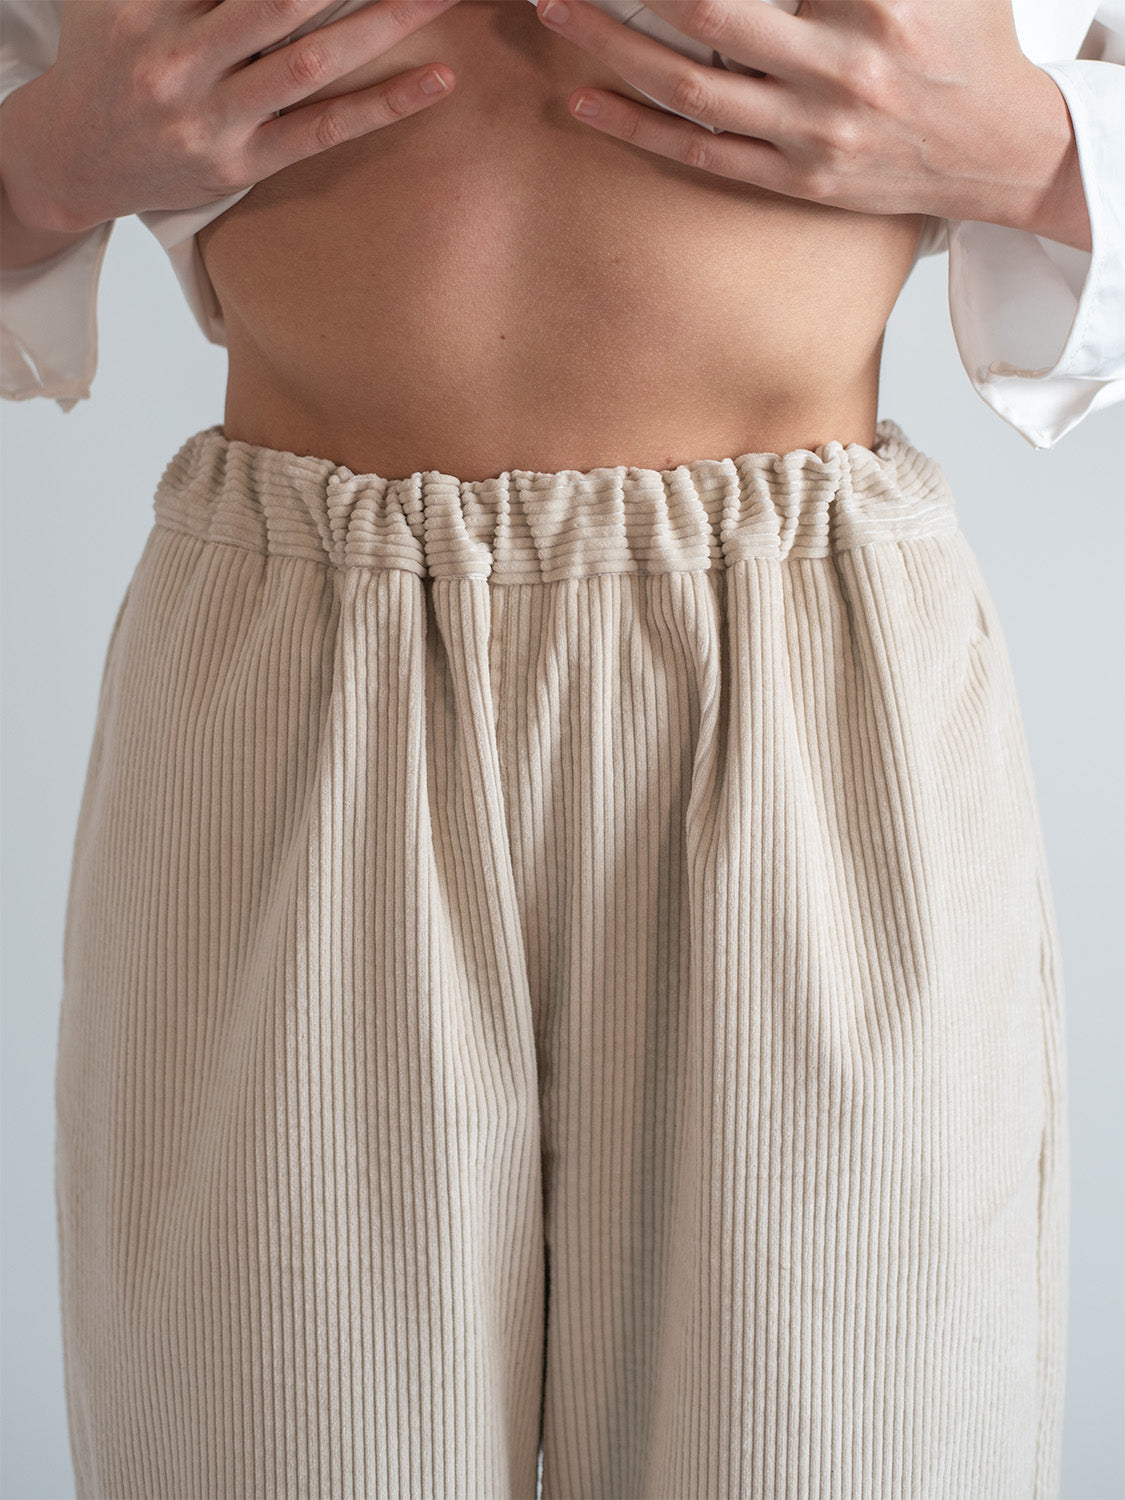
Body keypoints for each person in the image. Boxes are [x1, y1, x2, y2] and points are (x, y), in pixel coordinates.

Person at [1, 2, 1122, 1496]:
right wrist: (39, 168)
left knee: (846, 1430)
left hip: (801, 683)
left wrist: (1045, 157)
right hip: (300, 667)